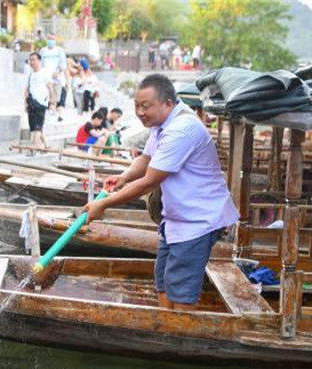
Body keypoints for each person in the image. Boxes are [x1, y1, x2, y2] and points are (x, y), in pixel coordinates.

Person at [83, 74, 238, 310]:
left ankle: (179, 337)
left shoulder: (181, 129)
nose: (140, 112)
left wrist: (103, 204)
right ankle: (166, 327)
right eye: (136, 106)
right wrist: (123, 178)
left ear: (167, 103)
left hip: (197, 220)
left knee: (181, 289)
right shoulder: (161, 124)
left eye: (146, 106)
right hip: (175, 219)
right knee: (164, 281)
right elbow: (146, 159)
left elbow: (148, 182)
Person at [24, 52, 53, 152]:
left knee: (37, 127)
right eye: (30, 60)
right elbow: (27, 89)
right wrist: (25, 102)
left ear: (39, 61)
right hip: (31, 103)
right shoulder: (30, 74)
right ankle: (45, 146)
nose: (31, 62)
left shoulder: (45, 72)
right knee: (34, 127)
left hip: (41, 103)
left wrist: (52, 102)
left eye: (33, 59)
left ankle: (35, 147)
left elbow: (50, 87)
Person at [39, 35, 67, 121]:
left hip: (57, 78)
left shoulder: (59, 50)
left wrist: (58, 72)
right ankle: (50, 113)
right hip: (46, 78)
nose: (50, 41)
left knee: (56, 97)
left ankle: (57, 114)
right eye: (49, 39)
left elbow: (63, 64)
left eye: (52, 39)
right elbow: (40, 63)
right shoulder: (43, 51)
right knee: (47, 96)